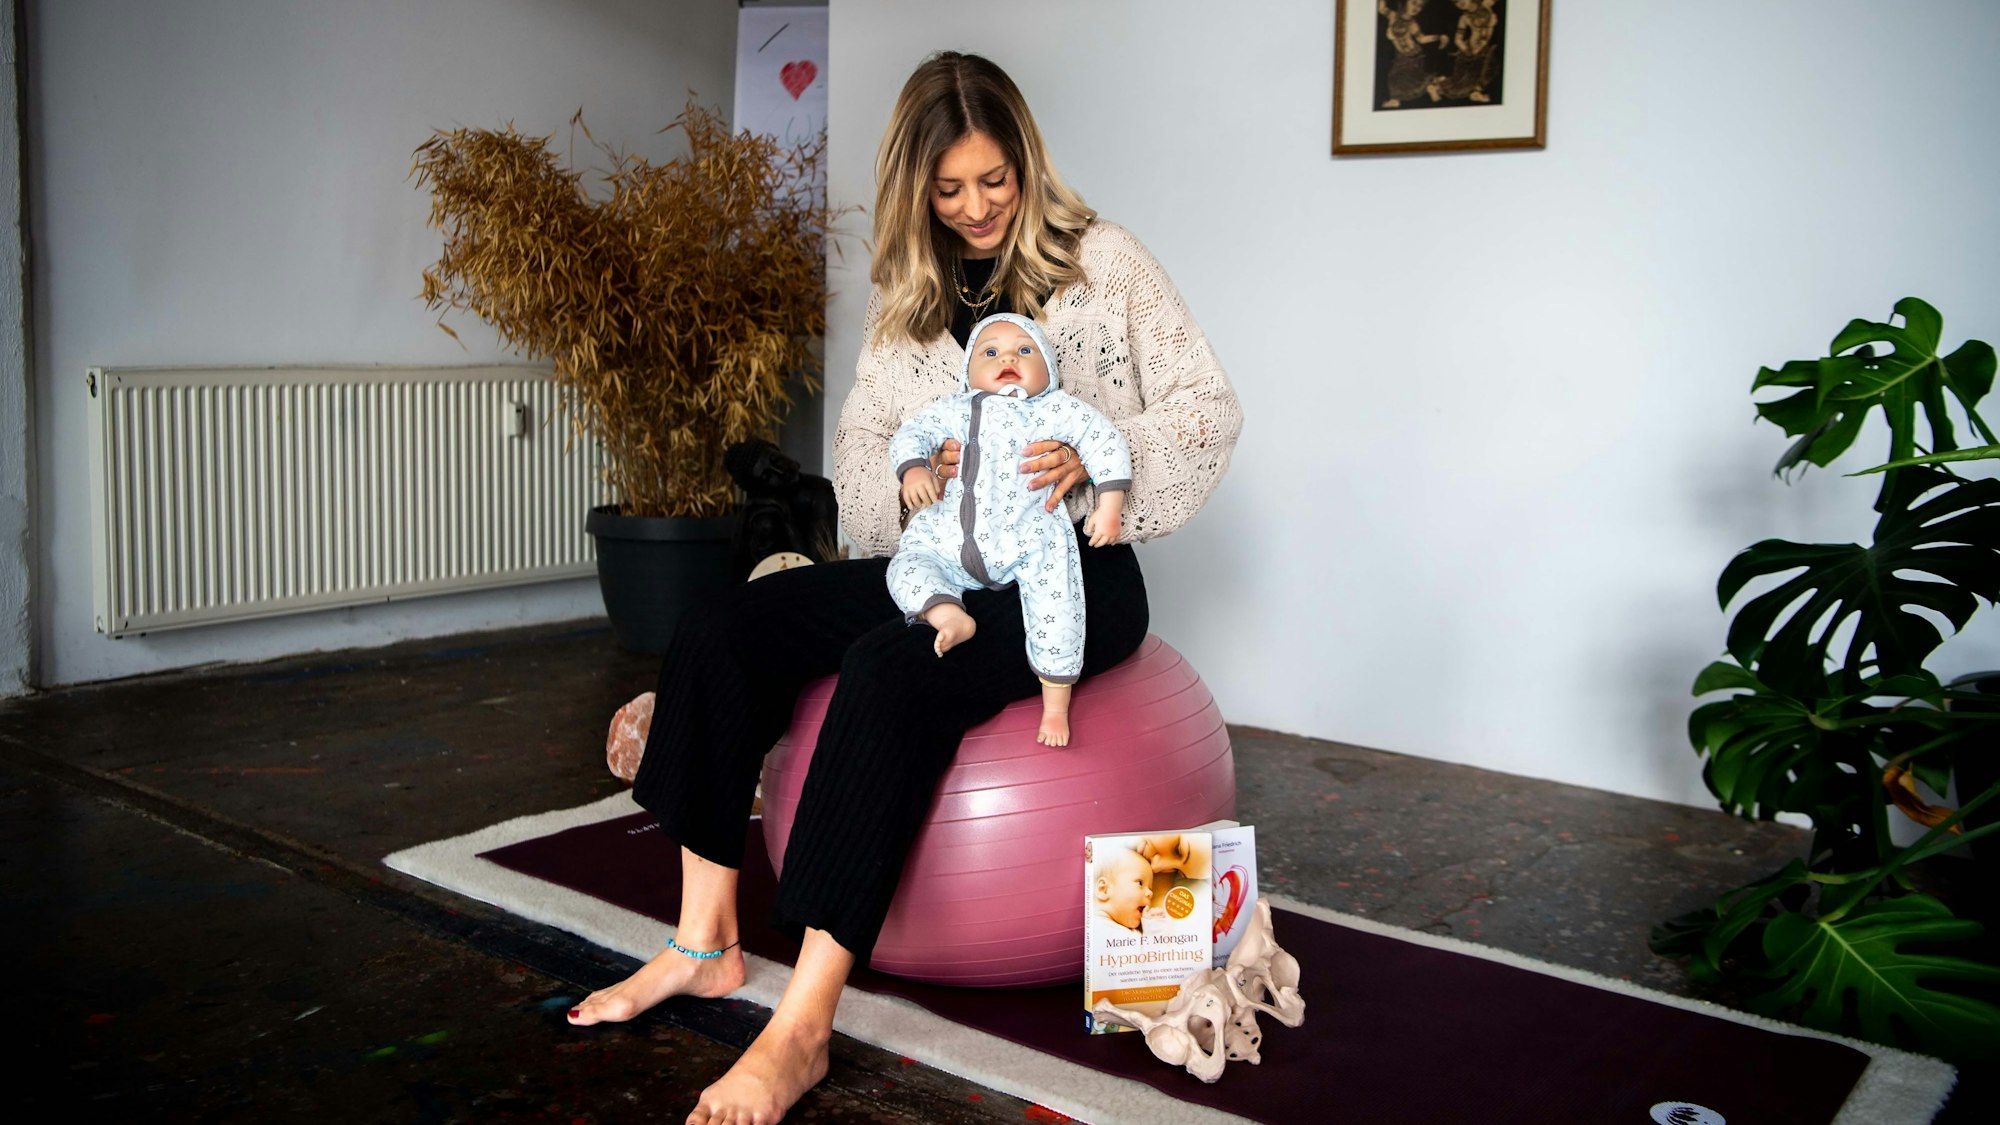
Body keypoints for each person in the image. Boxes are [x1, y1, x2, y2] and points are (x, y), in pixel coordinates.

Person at [566, 50, 1241, 1125]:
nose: (975, 208)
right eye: (949, 189)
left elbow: (1206, 408)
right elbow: (868, 439)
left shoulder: (1103, 262)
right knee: (723, 626)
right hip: (947, 559)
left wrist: (1093, 460)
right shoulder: (912, 297)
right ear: (916, 191)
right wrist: (910, 476)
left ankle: (799, 1032)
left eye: (994, 181)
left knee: (890, 668)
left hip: (1078, 576)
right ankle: (703, 941)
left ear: (1024, 164)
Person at [889, 312, 1133, 747]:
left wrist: (1109, 504)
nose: (1008, 358)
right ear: (969, 372)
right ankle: (946, 613)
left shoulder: (1054, 409)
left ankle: (1056, 705)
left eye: (1024, 350)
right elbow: (912, 433)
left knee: (1059, 607)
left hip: (1028, 540)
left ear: (1049, 370)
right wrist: (913, 471)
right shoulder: (953, 409)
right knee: (906, 563)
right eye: (990, 351)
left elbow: (1104, 440)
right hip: (946, 540)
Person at [1091, 844, 1155, 931]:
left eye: (1150, 889)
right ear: (1104, 889)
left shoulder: (1136, 933)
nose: (1150, 893)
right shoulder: (1095, 927)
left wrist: (1152, 926)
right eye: (1140, 883)